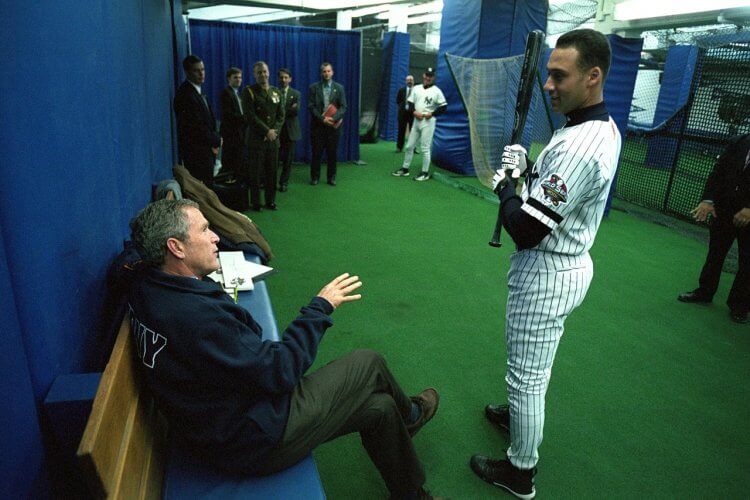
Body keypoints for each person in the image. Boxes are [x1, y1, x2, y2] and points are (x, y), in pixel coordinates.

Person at [127, 199, 440, 499]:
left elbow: (124, 264)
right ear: (175, 247)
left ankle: (411, 493)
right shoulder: (197, 319)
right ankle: (411, 415)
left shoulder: (145, 283)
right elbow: (280, 370)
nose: (216, 237)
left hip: (223, 423)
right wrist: (319, 308)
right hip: (252, 441)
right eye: (205, 229)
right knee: (368, 362)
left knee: (381, 408)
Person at [469, 29, 621, 499]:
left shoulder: (579, 143)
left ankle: (520, 472)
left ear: (593, 76)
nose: (549, 84)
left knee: (527, 377)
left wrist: (507, 187)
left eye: (560, 75)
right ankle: (517, 416)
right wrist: (529, 167)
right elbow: (558, 193)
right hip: (568, 261)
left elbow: (528, 229)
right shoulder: (591, 127)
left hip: (548, 270)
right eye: (549, 74)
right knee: (534, 368)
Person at [677, 133, 750, 324]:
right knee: (715, 254)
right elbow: (718, 171)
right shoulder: (740, 141)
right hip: (724, 211)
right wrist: (708, 200)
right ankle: (704, 292)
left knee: (748, 263)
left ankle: (740, 306)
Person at [174, 55, 222, 188]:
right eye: (197, 70)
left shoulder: (197, 91)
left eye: (203, 69)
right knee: (203, 192)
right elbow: (196, 128)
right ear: (187, 72)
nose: (201, 73)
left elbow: (208, 121)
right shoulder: (186, 95)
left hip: (206, 150)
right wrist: (216, 140)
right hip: (196, 155)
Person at [392, 68, 447, 182]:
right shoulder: (416, 88)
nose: (428, 78)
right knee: (409, 146)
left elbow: (443, 106)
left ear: (433, 78)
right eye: (427, 75)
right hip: (417, 120)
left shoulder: (436, 91)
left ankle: (425, 172)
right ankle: (405, 169)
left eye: (430, 76)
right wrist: (413, 112)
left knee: (425, 148)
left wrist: (432, 113)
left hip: (428, 121)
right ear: (423, 75)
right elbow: (411, 103)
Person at [242, 61, 284, 211]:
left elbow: (281, 116)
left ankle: (270, 200)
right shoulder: (249, 91)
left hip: (273, 141)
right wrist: (266, 131)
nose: (263, 75)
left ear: (269, 72)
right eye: (259, 72)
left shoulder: (276, 92)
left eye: (265, 71)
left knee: (272, 172)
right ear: (254, 75)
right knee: (256, 173)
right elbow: (250, 116)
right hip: (256, 140)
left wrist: (274, 132)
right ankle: (256, 202)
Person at [308, 62, 347, 186]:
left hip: (333, 127)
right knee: (316, 153)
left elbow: (343, 107)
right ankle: (315, 177)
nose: (326, 73)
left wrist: (333, 118)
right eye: (324, 71)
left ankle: (331, 177)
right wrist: (322, 119)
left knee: (332, 153)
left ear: (332, 72)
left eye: (328, 71)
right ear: (321, 73)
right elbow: (311, 106)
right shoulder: (313, 87)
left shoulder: (339, 88)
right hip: (318, 126)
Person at [219, 67, 246, 180]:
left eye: (240, 77)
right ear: (228, 79)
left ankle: (237, 182)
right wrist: (247, 118)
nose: (238, 80)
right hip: (231, 134)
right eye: (235, 77)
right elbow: (229, 115)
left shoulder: (238, 94)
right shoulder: (226, 93)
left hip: (239, 132)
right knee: (230, 161)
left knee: (238, 160)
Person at [277, 68, 301, 192]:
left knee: (288, 160)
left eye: (286, 77)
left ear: (290, 79)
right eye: (281, 77)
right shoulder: (274, 92)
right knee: (274, 159)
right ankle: (269, 182)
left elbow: (295, 111)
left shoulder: (296, 94)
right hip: (277, 132)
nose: (283, 79)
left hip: (291, 132)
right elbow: (272, 111)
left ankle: (283, 183)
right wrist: (288, 109)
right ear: (278, 79)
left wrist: (281, 111)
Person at [396, 75, 415, 152]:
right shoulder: (401, 90)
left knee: (413, 132)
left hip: (413, 114)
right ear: (406, 81)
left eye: (411, 80)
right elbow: (398, 100)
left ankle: (413, 148)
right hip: (402, 114)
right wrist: (403, 107)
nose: (410, 81)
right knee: (401, 131)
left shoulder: (416, 91)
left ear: (413, 81)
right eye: (408, 80)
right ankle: (399, 147)